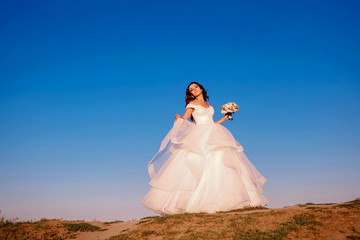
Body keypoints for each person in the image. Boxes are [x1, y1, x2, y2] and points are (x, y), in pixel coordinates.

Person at [140, 82, 268, 215]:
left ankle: (230, 200)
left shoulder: (209, 105)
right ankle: (195, 203)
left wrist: (225, 117)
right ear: (190, 94)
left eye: (195, 87)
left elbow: (211, 123)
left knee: (221, 163)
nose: (194, 90)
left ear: (201, 88)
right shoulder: (191, 105)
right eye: (191, 90)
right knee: (199, 164)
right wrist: (178, 119)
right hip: (200, 136)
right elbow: (184, 119)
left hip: (214, 133)